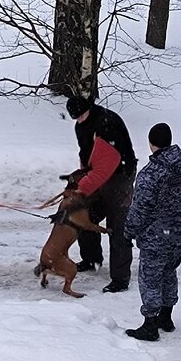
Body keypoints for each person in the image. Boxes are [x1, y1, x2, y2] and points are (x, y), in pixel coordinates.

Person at [124, 123, 181, 341]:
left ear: (151, 143)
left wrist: (128, 231)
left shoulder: (151, 173)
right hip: (177, 233)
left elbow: (140, 208)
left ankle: (150, 325)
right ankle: (167, 317)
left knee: (150, 277)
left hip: (155, 237)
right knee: (169, 271)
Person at [65, 95, 137, 293]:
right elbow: (85, 155)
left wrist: (83, 187)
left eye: (80, 115)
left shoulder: (107, 123)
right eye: (75, 118)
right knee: (84, 215)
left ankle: (120, 278)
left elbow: (106, 165)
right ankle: (91, 259)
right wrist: (81, 177)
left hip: (120, 175)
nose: (78, 120)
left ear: (89, 108)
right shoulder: (81, 125)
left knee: (116, 226)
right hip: (97, 174)